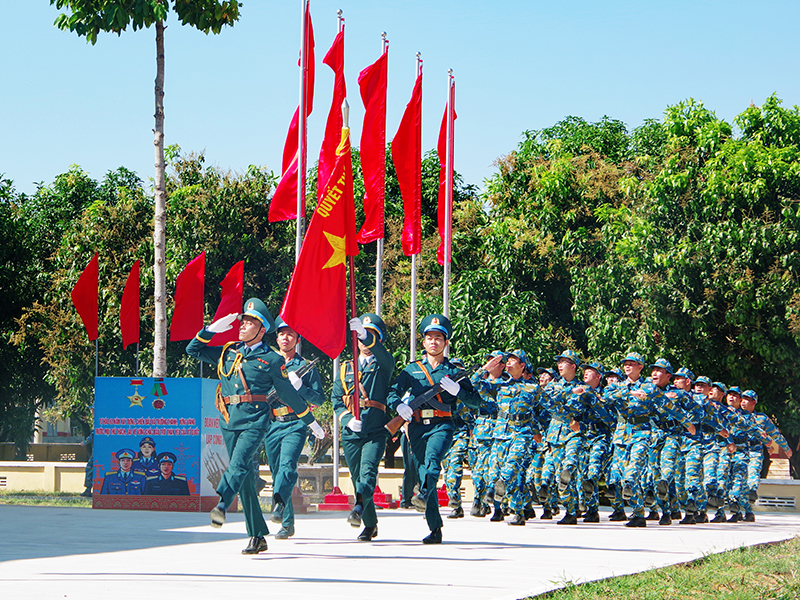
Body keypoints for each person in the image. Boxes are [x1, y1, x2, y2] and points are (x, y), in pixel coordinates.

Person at [186, 297, 325, 555]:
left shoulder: (272, 359)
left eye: (250, 322)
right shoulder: (229, 351)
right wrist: (211, 330)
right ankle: (258, 536)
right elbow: (192, 351)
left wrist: (311, 421)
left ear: (262, 330)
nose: (242, 325)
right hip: (229, 419)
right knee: (247, 480)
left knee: (238, 466)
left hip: (255, 421)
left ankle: (222, 504)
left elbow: (289, 394)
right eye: (243, 321)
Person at [388, 314, 480, 544]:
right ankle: (435, 528)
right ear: (423, 342)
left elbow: (476, 402)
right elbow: (392, 392)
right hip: (417, 427)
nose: (434, 342)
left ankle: (425, 494)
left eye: (439, 338)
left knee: (432, 463)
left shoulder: (453, 371)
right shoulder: (412, 370)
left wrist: (459, 391)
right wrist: (399, 405)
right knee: (424, 476)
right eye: (429, 337)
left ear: (446, 342)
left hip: (442, 425)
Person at [331, 313, 395, 542]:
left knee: (367, 472)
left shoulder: (384, 364)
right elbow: (336, 399)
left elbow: (382, 355)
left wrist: (367, 336)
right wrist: (346, 418)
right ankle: (370, 524)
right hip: (351, 432)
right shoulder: (345, 368)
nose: (363, 341)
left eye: (368, 337)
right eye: (358, 337)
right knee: (358, 476)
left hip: (375, 430)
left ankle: (358, 507)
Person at [263, 318, 325, 540]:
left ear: (297, 339)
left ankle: (278, 506)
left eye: (290, 334)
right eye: (282, 334)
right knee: (276, 470)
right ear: (276, 338)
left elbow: (319, 398)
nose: (285, 337)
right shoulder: (266, 362)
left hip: (296, 422)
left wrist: (301, 389)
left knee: (287, 466)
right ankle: (287, 523)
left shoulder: (304, 367)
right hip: (272, 424)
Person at [740, 390, 792, 521]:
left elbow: (775, 434)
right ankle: (746, 511)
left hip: (755, 450)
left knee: (753, 474)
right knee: (739, 483)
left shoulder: (761, 418)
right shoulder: (735, 415)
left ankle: (752, 491)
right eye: (742, 399)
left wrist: (786, 448)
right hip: (738, 451)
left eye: (747, 399)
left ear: (753, 402)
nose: (743, 402)